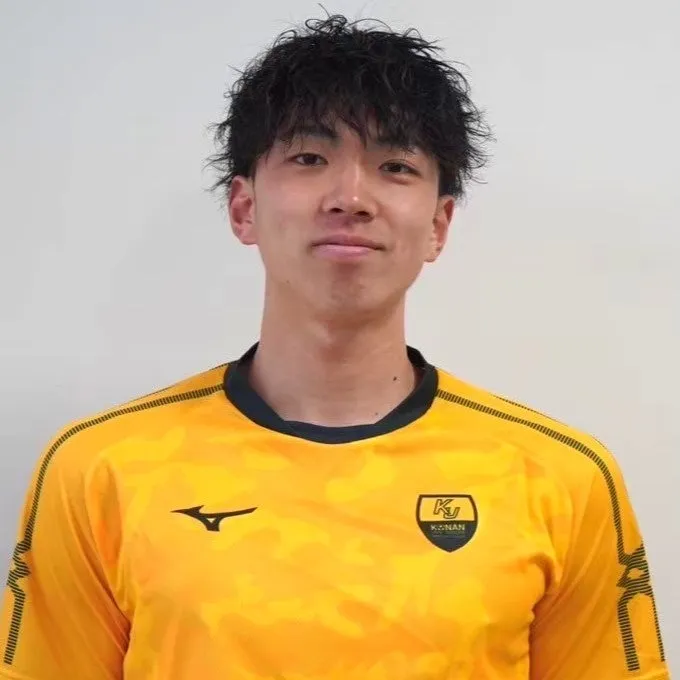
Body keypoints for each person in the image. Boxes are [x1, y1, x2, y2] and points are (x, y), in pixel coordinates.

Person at [0, 13, 669, 680]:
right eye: (309, 159)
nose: (350, 197)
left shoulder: (559, 478)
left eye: (396, 166)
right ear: (244, 208)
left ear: (438, 226)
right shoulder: (99, 470)